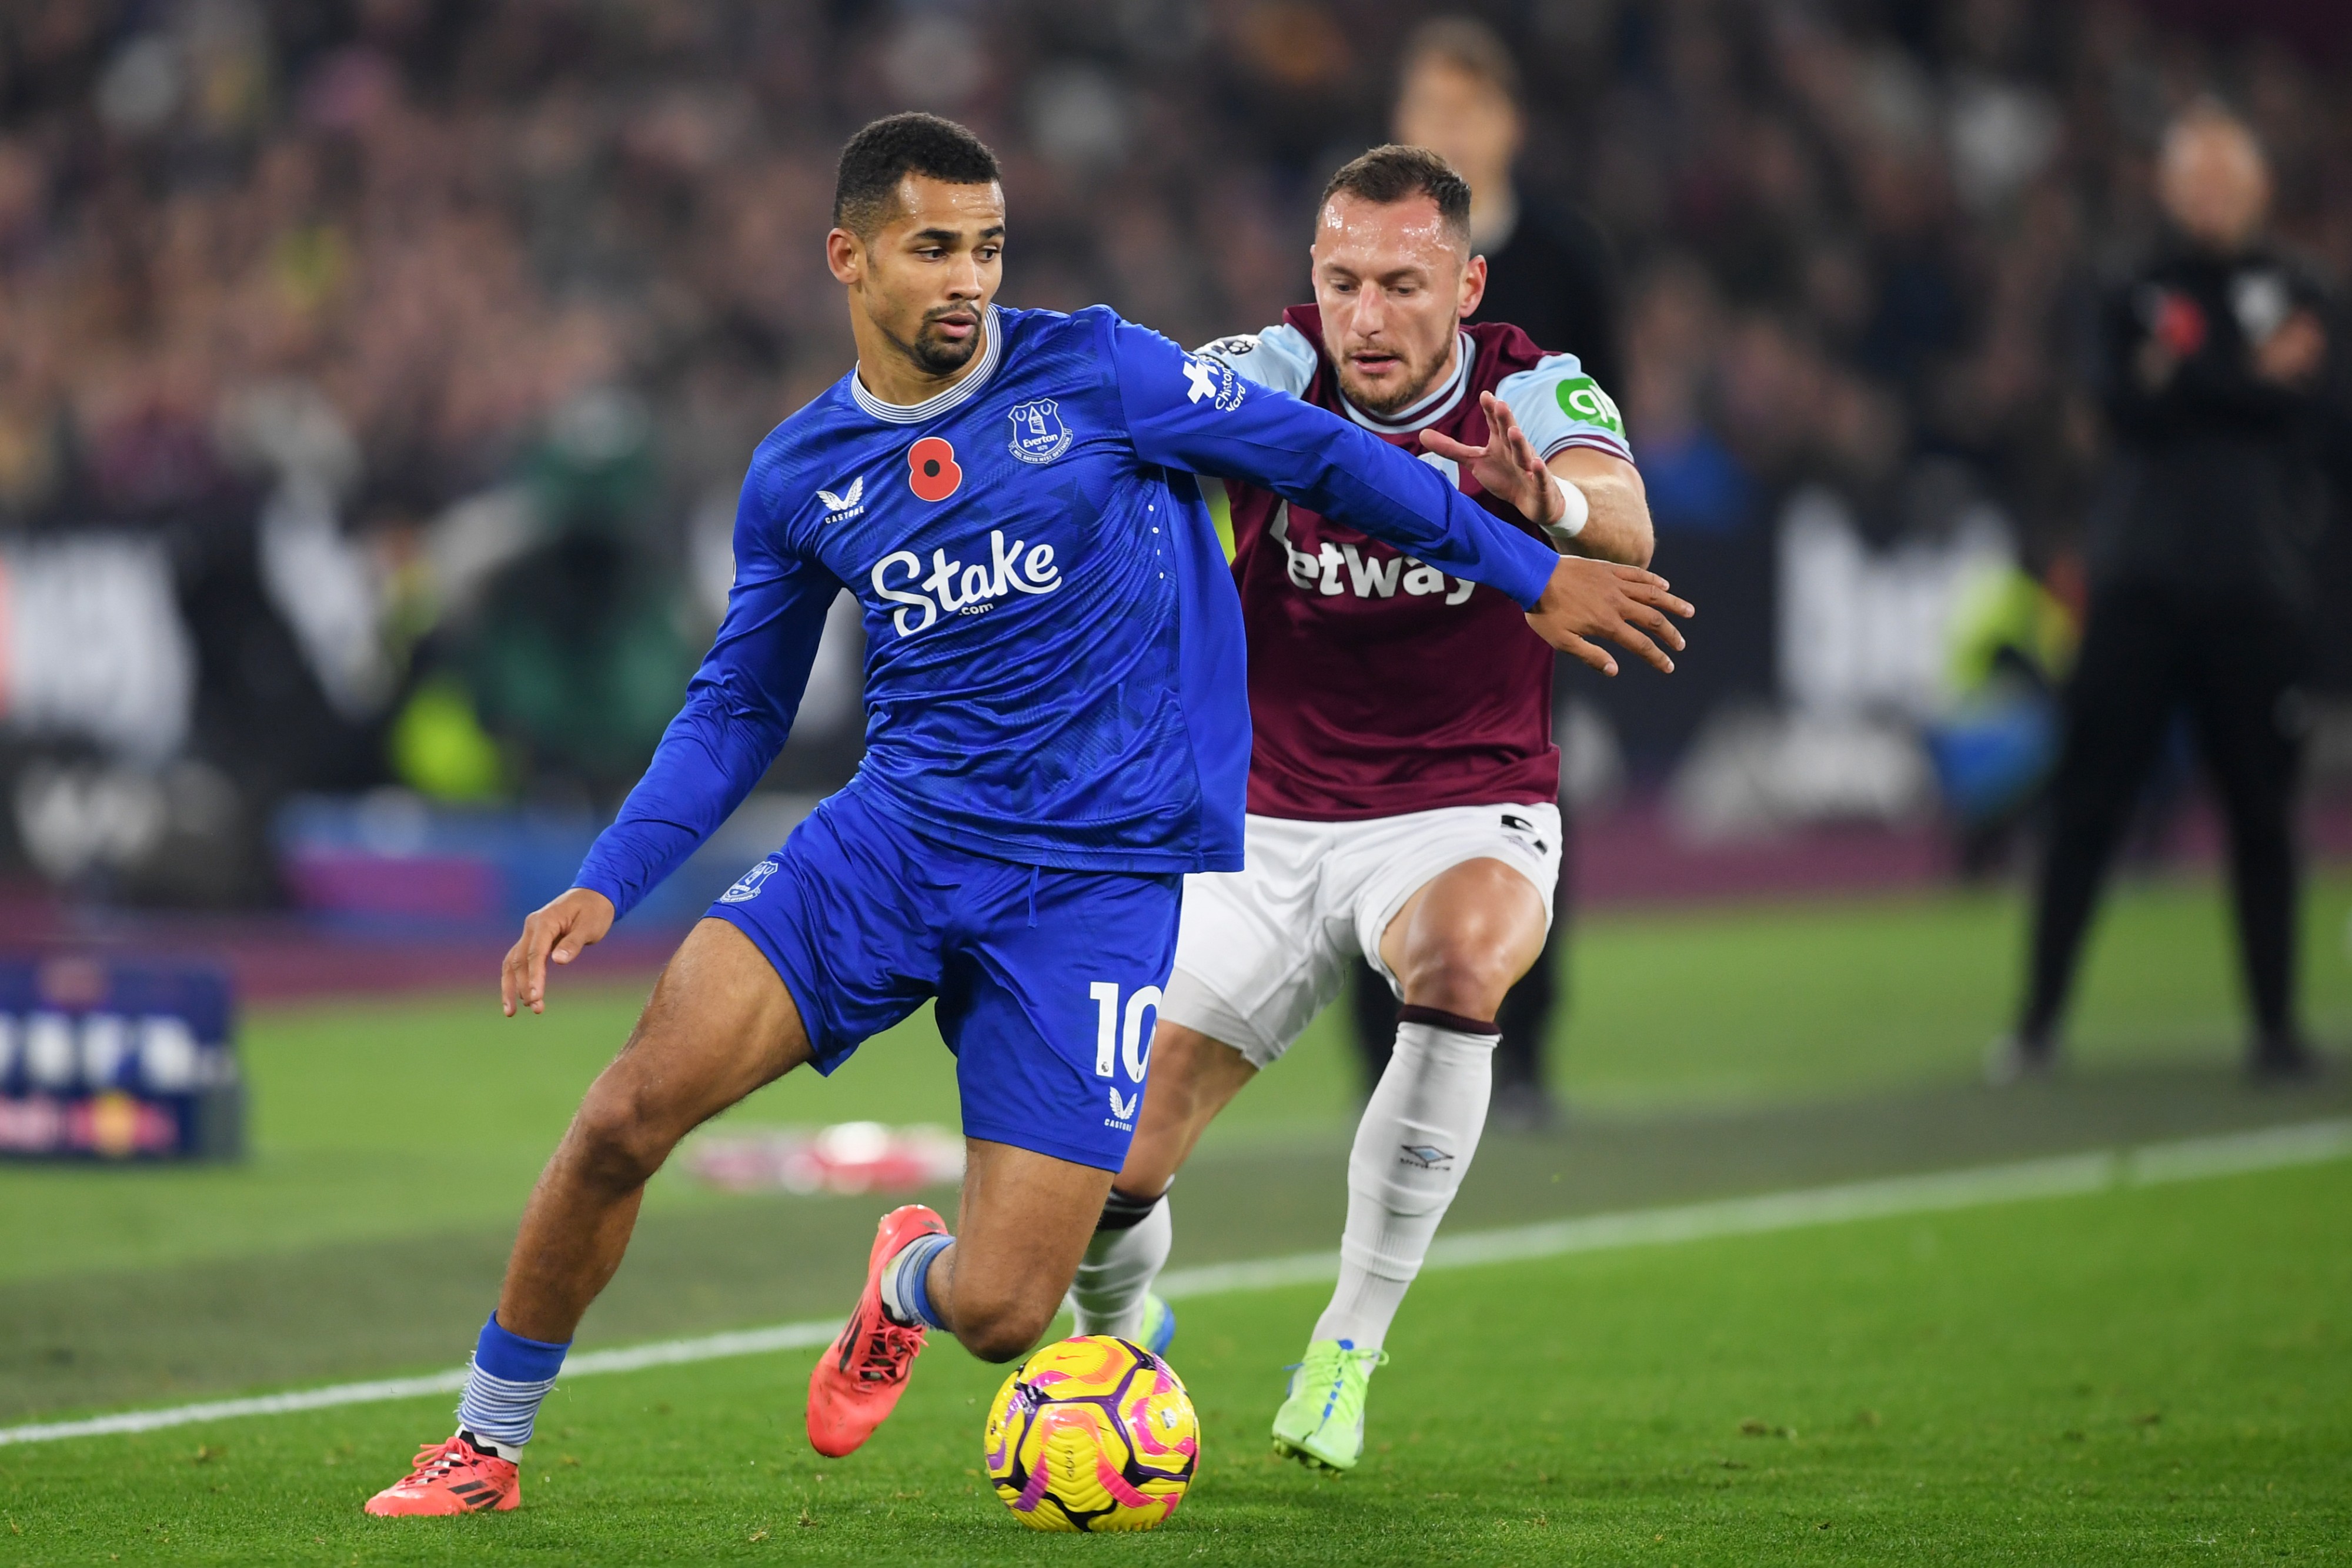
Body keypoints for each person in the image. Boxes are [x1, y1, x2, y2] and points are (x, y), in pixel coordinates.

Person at [362, 112, 1692, 1516]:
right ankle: (484, 1440)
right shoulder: (802, 472)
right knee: (628, 1108)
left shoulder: (1104, 369)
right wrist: (606, 879)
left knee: (1003, 1309)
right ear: (848, 257)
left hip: (1091, 891)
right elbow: (740, 706)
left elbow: (1327, 460)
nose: (967, 280)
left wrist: (1525, 567)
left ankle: (907, 1276)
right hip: (891, 845)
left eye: (987, 248)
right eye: (933, 249)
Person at [1066, 145, 1660, 1473]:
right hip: (1263, 822)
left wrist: (1546, 501)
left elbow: (1620, 518)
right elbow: (1134, 417)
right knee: (1118, 1161)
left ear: (1466, 281)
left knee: (1458, 963)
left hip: (1463, 798)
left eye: (1401, 282)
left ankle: (1344, 1343)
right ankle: (1115, 1335)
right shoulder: (1274, 371)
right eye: (1340, 281)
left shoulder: (1531, 383)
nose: (1367, 315)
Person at [1992, 102, 2337, 1086]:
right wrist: (2251, 378)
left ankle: (2276, 1029)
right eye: (2194, 176)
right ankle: (2037, 1022)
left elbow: (2315, 406)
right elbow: (2123, 404)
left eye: (2226, 176)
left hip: (2258, 590)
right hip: (2139, 585)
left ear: (2258, 187)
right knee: (2088, 804)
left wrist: (2194, 374)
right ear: (2168, 187)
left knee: (2264, 816)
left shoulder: (2304, 287)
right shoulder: (2130, 283)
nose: (2210, 194)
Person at [1339, 16, 1629, 1128]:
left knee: (1525, 799)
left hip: (1524, 572)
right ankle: (1385, 1068)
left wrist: (1578, 532)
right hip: (1381, 565)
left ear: (1508, 124)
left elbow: (1611, 417)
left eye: (1466, 109)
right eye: (1426, 110)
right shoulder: (1360, 247)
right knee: (1365, 804)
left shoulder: (1566, 254)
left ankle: (1527, 1055)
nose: (1446, 130)